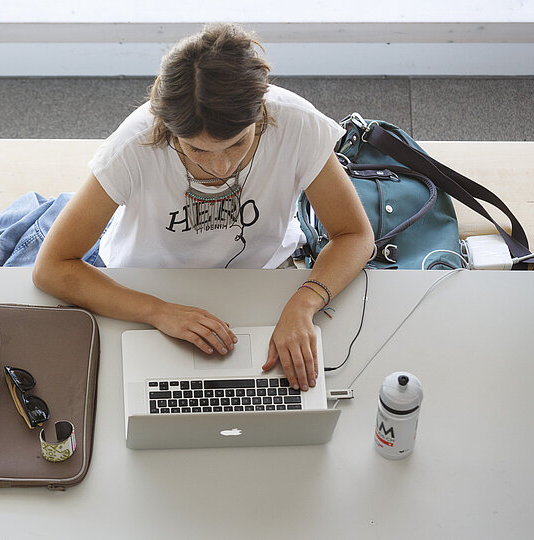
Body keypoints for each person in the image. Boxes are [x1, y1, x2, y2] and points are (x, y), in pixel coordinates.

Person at [32, 23, 375, 391]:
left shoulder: (298, 124)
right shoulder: (133, 145)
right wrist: (158, 311)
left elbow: (355, 235)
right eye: (196, 150)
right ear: (166, 127)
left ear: (260, 112)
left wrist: (305, 303)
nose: (221, 168)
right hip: (142, 288)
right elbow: (51, 267)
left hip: (262, 282)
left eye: (237, 143)